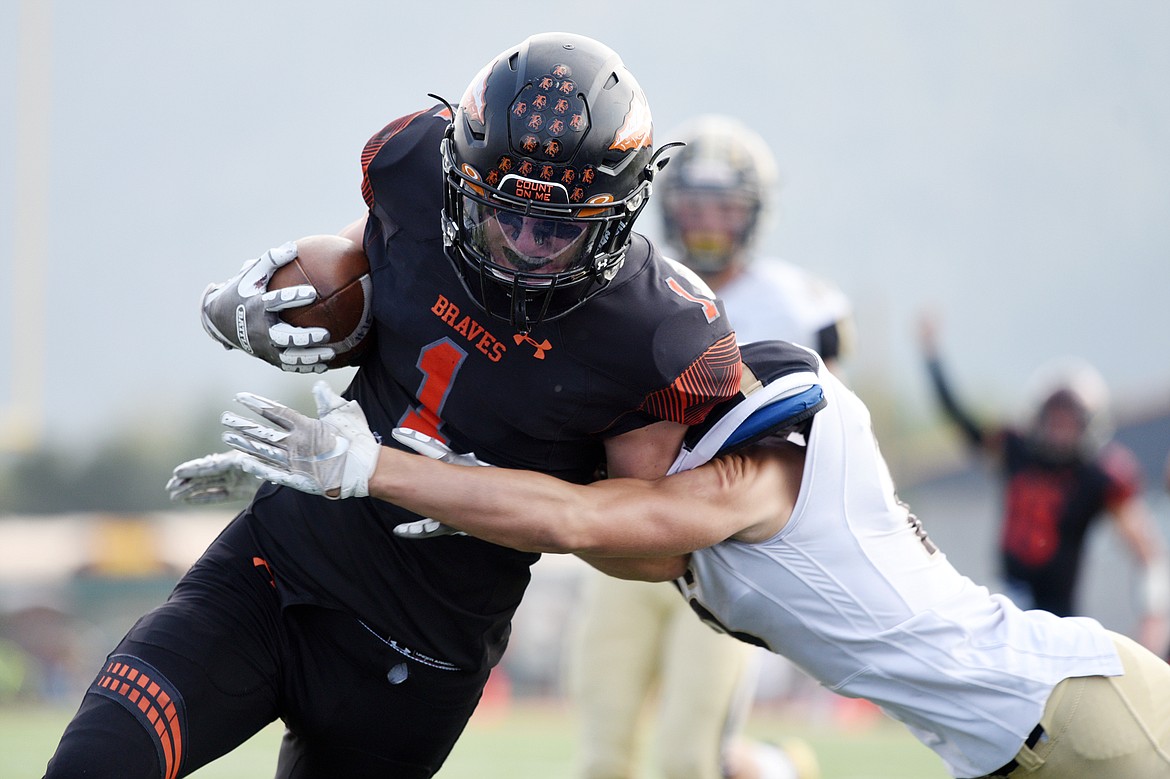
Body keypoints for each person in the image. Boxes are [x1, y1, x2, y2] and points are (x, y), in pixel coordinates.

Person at [46, 33, 745, 779]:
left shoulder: (659, 333)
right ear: (457, 175)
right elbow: (359, 283)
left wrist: (484, 497)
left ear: (621, 211)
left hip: (419, 657)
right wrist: (246, 311)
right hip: (276, 570)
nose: (519, 245)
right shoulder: (413, 174)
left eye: (556, 228)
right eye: (499, 213)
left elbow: (651, 544)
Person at [189, 338, 1170, 778]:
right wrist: (441, 495)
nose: (628, 443)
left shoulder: (762, 474)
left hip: (1082, 710)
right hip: (1005, 745)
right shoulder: (691, 529)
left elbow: (583, 521)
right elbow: (599, 530)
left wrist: (379, 468)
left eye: (650, 418)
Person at [570, 115, 849, 779]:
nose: (707, 224)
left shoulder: (792, 303)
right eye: (693, 205)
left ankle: (778, 769)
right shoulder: (632, 278)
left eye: (724, 207)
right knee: (603, 752)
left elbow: (827, 432)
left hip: (721, 547)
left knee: (689, 759)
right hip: (625, 530)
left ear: (754, 214)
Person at [919, 313, 1170, 656]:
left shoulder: (1098, 476)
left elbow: (1145, 550)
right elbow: (963, 422)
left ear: (1089, 424)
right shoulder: (1017, 450)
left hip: (1058, 616)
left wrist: (1153, 612)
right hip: (1006, 598)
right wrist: (933, 360)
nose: (1060, 431)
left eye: (1069, 422)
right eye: (1054, 420)